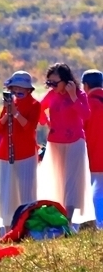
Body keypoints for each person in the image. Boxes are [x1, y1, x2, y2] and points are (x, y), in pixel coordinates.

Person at [37, 62, 94, 225]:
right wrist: (46, 121)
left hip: (75, 141)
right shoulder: (51, 95)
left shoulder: (79, 94)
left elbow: (86, 115)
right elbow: (39, 109)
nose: (52, 86)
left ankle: (69, 220)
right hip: (55, 142)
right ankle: (56, 216)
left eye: (55, 83)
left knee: (72, 181)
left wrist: (74, 96)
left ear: (66, 81)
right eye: (49, 83)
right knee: (55, 179)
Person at [0, 71, 42, 231]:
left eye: (21, 91)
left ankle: (26, 227)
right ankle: (7, 228)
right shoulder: (9, 105)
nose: (17, 94)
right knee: (6, 193)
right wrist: (7, 114)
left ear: (29, 90)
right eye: (13, 91)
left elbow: (30, 129)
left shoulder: (35, 105)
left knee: (26, 193)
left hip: (25, 154)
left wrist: (16, 114)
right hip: (5, 154)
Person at [81, 69, 103, 228]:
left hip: (93, 155)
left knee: (96, 191)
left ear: (86, 85)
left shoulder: (87, 104)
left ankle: (100, 224)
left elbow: (81, 129)